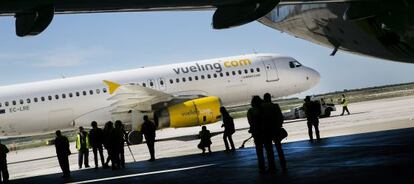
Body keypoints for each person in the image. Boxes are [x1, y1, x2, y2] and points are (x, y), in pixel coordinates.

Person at [247, 95, 276, 173]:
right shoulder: (264, 110)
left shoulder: (250, 111)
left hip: (257, 134)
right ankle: (272, 167)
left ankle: (261, 168)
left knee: (259, 152)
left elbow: (250, 122)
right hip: (266, 132)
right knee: (269, 151)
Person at [262, 93, 287, 171]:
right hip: (275, 130)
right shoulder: (275, 106)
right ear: (270, 98)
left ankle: (272, 167)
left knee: (269, 151)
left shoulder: (262, 108)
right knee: (279, 149)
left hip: (266, 131)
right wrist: (278, 126)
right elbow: (281, 117)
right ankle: (283, 166)